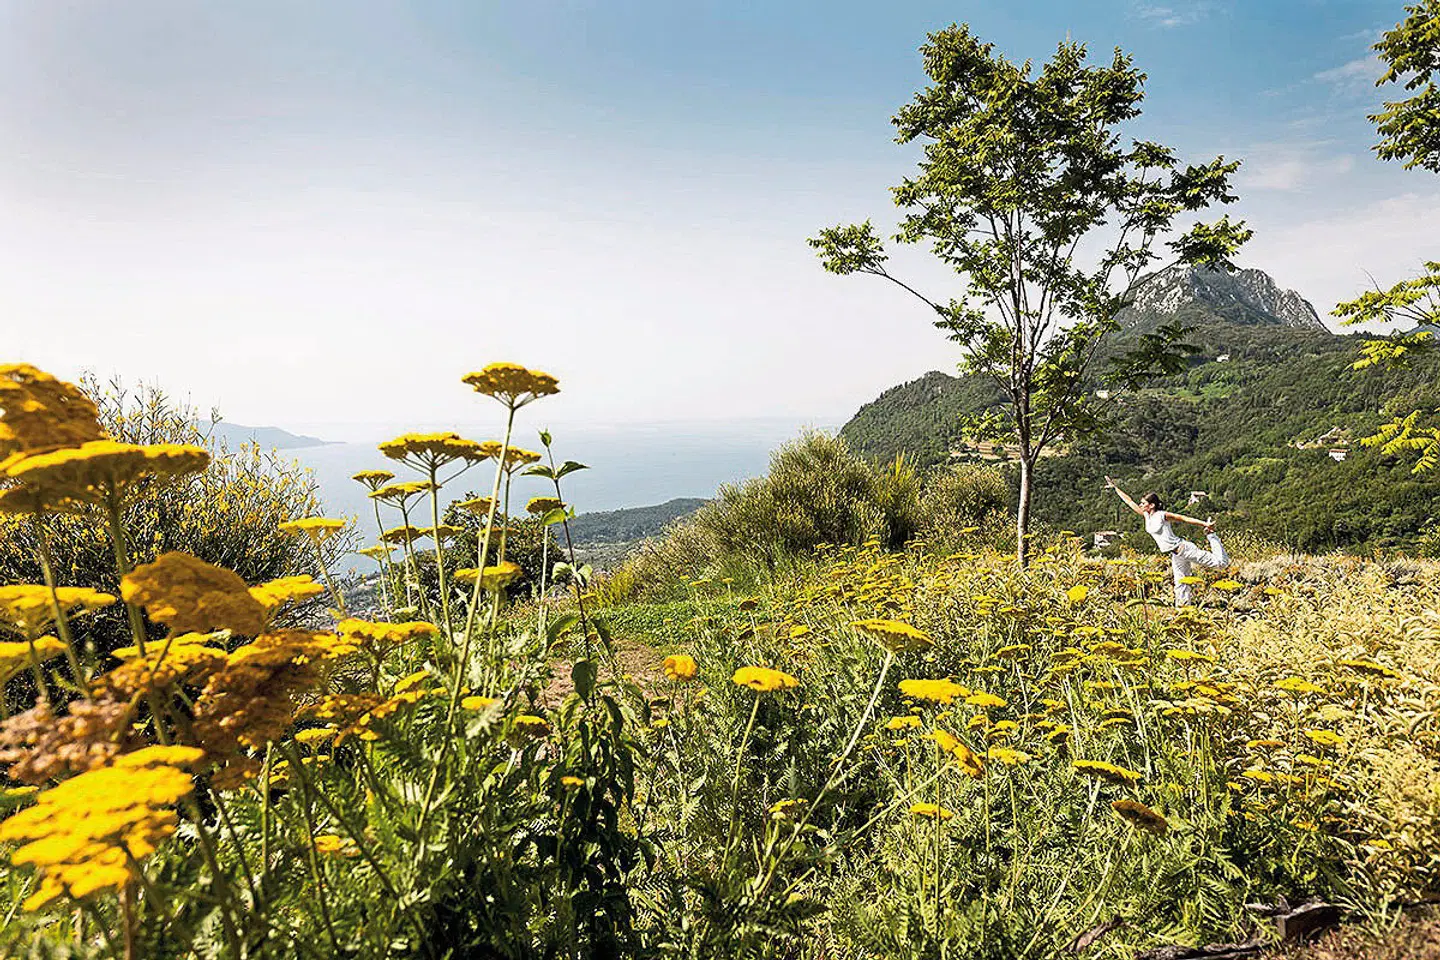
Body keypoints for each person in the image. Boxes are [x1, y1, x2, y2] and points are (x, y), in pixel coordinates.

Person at [1105, 476, 1230, 607]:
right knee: (1181, 583)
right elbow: (1129, 501)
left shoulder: (1162, 515)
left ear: (1151, 505)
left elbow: (1183, 518)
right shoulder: (1147, 516)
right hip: (1176, 554)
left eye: (1143, 503)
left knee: (1221, 564)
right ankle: (1182, 610)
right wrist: (1115, 488)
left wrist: (1205, 524)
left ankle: (1211, 535)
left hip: (1184, 548)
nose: (1140, 505)